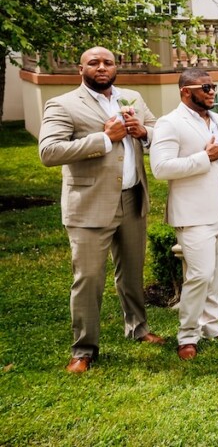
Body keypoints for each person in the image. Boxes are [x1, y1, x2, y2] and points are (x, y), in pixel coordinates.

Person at [38, 46, 165, 373]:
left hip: (132, 198)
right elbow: (49, 152)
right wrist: (104, 139)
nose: (102, 67)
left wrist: (145, 133)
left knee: (132, 273)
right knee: (89, 278)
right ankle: (84, 350)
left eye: (108, 62)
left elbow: (159, 133)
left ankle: (138, 328)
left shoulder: (132, 98)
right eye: (93, 63)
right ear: (81, 69)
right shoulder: (63, 104)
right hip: (90, 204)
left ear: (116, 67)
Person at [151, 68, 218, 359]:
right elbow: (161, 168)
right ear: (185, 92)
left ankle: (211, 325)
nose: (212, 92)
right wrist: (206, 157)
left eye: (213, 86)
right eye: (205, 88)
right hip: (193, 213)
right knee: (199, 275)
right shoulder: (169, 123)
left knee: (215, 276)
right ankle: (187, 335)